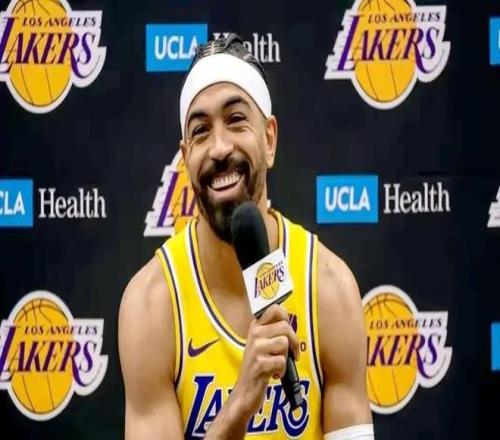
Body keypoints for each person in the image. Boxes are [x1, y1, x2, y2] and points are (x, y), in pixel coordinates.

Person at [118, 34, 373, 439]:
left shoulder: (328, 288)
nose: (219, 147)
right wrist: (239, 406)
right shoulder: (152, 305)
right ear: (185, 159)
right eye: (201, 131)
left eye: (236, 120)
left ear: (269, 139)